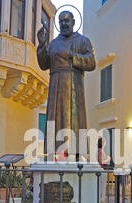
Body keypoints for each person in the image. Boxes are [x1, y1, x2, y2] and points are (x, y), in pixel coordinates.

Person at [37, 11, 96, 158]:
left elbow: (91, 62)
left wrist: (71, 56)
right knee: (55, 118)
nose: (64, 24)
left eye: (66, 21)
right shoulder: (53, 43)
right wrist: (42, 45)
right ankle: (54, 152)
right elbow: (44, 64)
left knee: (74, 119)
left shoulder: (83, 41)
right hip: (55, 84)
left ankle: (74, 152)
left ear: (74, 22)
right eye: (61, 21)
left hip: (74, 85)